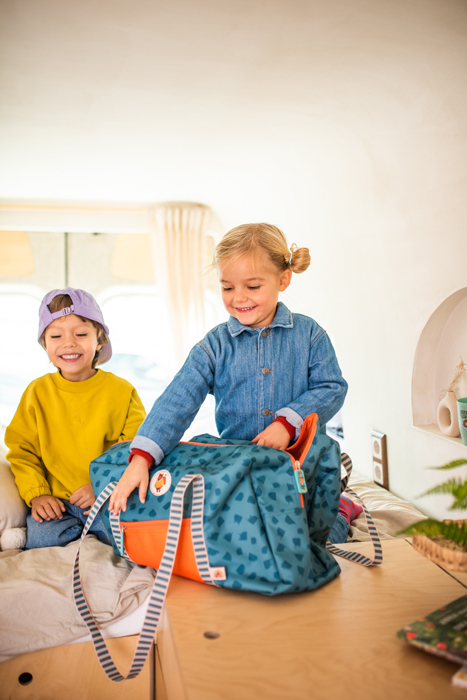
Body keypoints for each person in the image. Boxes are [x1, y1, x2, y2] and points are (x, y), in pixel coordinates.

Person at [109, 223, 361, 542]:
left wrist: (288, 424)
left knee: (315, 542)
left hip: (302, 465)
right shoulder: (214, 346)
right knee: (239, 538)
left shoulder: (310, 335)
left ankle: (341, 507)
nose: (238, 298)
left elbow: (332, 387)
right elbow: (177, 400)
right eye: (227, 288)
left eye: (252, 286)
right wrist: (142, 457)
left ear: (283, 279)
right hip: (241, 467)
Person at [5, 288, 146, 549]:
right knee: (43, 542)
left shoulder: (122, 391)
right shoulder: (37, 392)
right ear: (45, 344)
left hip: (108, 496)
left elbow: (135, 448)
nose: (68, 343)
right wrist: (37, 495)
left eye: (81, 334)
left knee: (129, 544)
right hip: (56, 504)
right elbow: (22, 451)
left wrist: (103, 486)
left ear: (99, 341)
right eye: (56, 336)